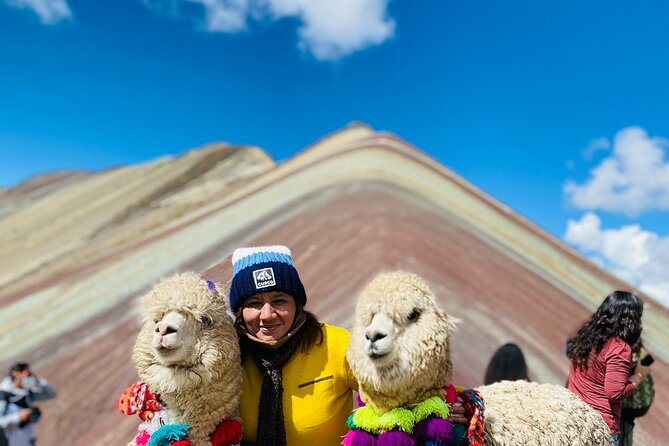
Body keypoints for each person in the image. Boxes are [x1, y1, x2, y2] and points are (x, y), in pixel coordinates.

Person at [229, 245, 468, 446]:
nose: (267, 314)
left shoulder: (336, 344)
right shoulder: (228, 361)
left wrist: (444, 402)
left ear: (297, 304)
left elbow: (394, 387)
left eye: (279, 300)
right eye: (254, 303)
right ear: (240, 311)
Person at [566, 291, 651, 446]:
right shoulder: (619, 348)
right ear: (632, 320)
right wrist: (639, 375)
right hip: (599, 430)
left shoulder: (586, 334)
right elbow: (614, 392)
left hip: (573, 418)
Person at [0, 363, 56, 446]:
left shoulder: (26, 393)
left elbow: (50, 394)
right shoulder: (4, 395)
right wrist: (18, 417)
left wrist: (38, 380)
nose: (27, 377)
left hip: (29, 440)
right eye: (24, 374)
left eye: (29, 374)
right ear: (14, 374)